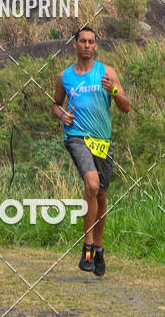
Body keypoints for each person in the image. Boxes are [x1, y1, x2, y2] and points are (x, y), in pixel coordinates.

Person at [52, 26, 130, 277]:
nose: (87, 45)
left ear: (96, 46)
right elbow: (55, 104)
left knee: (102, 195)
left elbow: (126, 107)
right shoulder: (65, 76)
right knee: (92, 185)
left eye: (91, 41)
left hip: (102, 140)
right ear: (75, 44)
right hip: (76, 137)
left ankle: (98, 249)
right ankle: (87, 247)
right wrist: (62, 115)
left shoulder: (107, 73)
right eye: (83, 41)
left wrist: (114, 91)